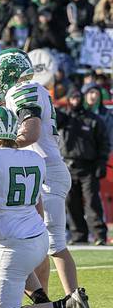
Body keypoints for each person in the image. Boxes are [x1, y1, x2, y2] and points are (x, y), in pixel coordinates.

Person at [0, 106, 96, 308]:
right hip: (38, 237)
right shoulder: (33, 157)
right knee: (20, 269)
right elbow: (38, 205)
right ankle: (42, 301)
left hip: (13, 244)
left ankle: (65, 305)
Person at [0, 49, 85, 308]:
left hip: (45, 172)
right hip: (40, 170)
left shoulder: (22, 90)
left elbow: (30, 132)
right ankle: (46, 303)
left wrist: (4, 147)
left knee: (54, 243)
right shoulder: (35, 89)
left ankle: (75, 300)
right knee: (36, 240)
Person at [58, 89, 110, 246]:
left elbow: (104, 143)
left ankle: (100, 235)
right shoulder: (64, 118)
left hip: (89, 167)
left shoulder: (93, 120)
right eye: (72, 97)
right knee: (71, 203)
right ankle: (78, 235)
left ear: (82, 99)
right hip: (68, 166)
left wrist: (101, 163)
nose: (75, 100)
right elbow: (51, 116)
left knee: (92, 202)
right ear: (68, 99)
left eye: (77, 98)